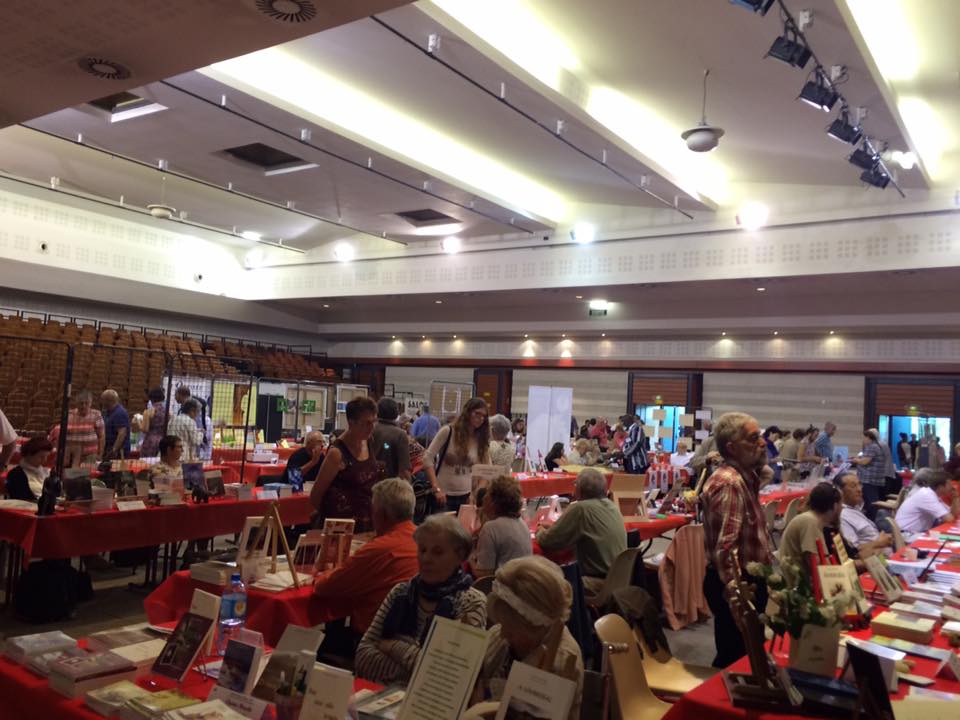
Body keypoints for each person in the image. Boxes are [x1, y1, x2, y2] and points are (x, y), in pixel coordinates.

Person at [355, 514, 486, 683]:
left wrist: (394, 646)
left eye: (437, 552)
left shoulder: (470, 603)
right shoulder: (401, 592)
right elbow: (362, 657)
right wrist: (421, 666)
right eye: (422, 550)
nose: (426, 558)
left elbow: (451, 678)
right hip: (380, 696)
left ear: (459, 557)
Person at [313, 478, 419, 656]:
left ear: (381, 514)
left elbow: (324, 587)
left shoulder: (377, 549)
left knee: (307, 642)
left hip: (370, 642)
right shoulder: (425, 541)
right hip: (412, 639)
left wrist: (321, 573)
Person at [701, 412, 773, 668]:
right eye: (753, 439)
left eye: (760, 436)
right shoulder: (730, 483)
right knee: (736, 660)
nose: (762, 443)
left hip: (747, 579)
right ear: (732, 448)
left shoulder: (744, 478)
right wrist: (737, 596)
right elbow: (725, 548)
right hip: (738, 583)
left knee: (744, 655)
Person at [475, 557, 584, 719]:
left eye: (512, 629)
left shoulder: (561, 663)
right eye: (502, 624)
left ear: (535, 626)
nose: (503, 633)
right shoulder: (500, 635)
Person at [535, 468, 626, 595]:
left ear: (580, 489)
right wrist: (554, 527)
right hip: (619, 579)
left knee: (544, 584)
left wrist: (539, 530)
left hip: (596, 582)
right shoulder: (612, 506)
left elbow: (548, 541)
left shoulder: (581, 509)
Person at [310, 396, 381, 533]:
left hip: (367, 525)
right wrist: (333, 519)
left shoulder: (369, 442)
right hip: (342, 529)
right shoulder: (336, 453)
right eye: (367, 423)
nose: (372, 427)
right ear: (351, 422)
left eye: (374, 422)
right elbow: (315, 496)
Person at [423, 398, 491, 514]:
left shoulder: (480, 439)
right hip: (443, 496)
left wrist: (475, 493)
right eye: (477, 413)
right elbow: (427, 459)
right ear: (468, 412)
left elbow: (487, 469)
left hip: (466, 496)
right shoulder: (448, 431)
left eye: (483, 416)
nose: (480, 418)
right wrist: (436, 488)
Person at [779, 482, 843, 581]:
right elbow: (817, 565)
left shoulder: (812, 520)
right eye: (841, 504)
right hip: (801, 586)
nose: (842, 508)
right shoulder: (810, 522)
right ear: (835, 506)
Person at [471, 475, 532, 577]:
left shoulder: (491, 528)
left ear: (494, 501)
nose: (484, 497)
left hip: (504, 584)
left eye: (488, 493)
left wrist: (469, 559)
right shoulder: (522, 523)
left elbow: (484, 574)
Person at [836, 472, 892, 558]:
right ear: (840, 491)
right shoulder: (842, 516)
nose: (859, 489)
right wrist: (879, 542)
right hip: (876, 560)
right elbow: (854, 552)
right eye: (853, 486)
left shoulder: (855, 508)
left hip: (887, 554)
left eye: (859, 484)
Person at [895, 471, 959, 536]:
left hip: (917, 532)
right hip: (906, 534)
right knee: (946, 538)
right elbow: (949, 519)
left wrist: (956, 497)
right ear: (940, 487)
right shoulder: (927, 495)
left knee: (948, 536)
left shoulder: (932, 494)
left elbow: (952, 515)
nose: (952, 487)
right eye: (949, 484)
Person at [372, 398, 411, 481]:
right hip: (388, 484)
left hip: (366, 483)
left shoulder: (369, 429)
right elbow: (404, 471)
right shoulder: (400, 434)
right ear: (396, 413)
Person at [62, 390, 104, 466]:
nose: (84, 406)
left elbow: (101, 436)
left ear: (90, 403)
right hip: (71, 455)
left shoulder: (96, 414)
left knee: (87, 473)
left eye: (86, 403)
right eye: (81, 403)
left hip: (90, 455)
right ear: (76, 403)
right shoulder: (69, 414)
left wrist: (100, 454)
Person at [850, 429, 886, 518]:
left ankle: (875, 520)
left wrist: (855, 460)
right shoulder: (877, 446)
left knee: (871, 502)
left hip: (869, 479)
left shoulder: (872, 447)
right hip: (874, 479)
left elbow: (865, 462)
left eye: (864, 438)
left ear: (869, 438)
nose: (863, 440)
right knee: (870, 502)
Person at [5, 436, 53, 501]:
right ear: (29, 454)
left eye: (47, 456)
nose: (45, 460)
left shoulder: (46, 472)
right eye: (41, 457)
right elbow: (21, 500)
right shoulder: (16, 475)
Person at [167, 398, 204, 462]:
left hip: (170, 452)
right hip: (183, 454)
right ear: (192, 410)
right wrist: (201, 433)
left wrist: (196, 431)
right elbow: (196, 441)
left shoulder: (173, 419)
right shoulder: (190, 421)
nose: (197, 414)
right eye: (197, 412)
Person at [100, 389, 130, 460]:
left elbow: (122, 433)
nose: (101, 402)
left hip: (118, 452)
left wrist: (114, 449)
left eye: (103, 400)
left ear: (108, 401)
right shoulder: (108, 412)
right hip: (109, 448)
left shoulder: (120, 413)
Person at [139, 388, 167, 458]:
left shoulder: (148, 412)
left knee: (147, 462)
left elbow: (145, 429)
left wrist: (138, 422)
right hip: (164, 440)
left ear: (151, 399)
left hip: (150, 441)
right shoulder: (168, 413)